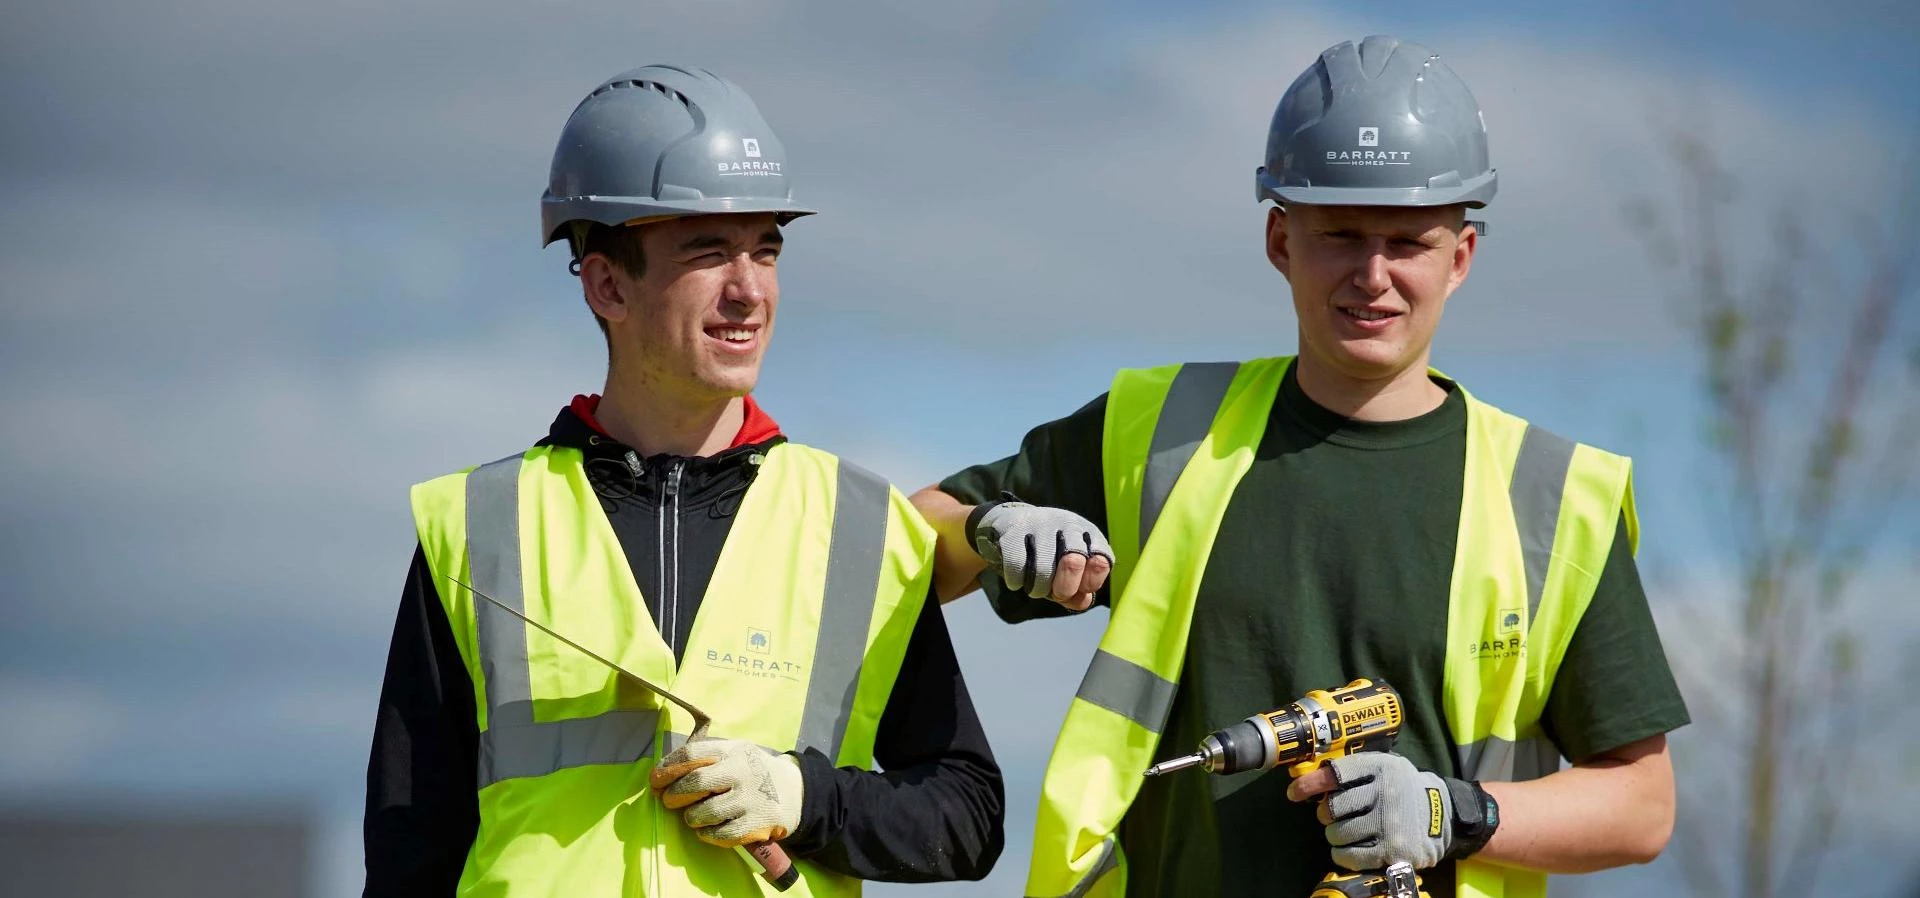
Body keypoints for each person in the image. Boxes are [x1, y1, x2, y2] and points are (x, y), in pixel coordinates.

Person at [911, 36, 1687, 898]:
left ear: (1460, 256)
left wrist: (1452, 814)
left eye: (1409, 242)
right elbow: (907, 549)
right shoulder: (1160, 431)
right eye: (1341, 235)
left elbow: (1642, 806)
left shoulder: (1551, 497)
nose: (1374, 275)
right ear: (1281, 239)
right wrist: (988, 528)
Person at [364, 65, 1003, 897]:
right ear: (606, 283)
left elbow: (967, 817)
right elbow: (412, 849)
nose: (749, 291)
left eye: (765, 250)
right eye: (708, 252)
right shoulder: (478, 526)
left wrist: (805, 799)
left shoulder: (862, 526)